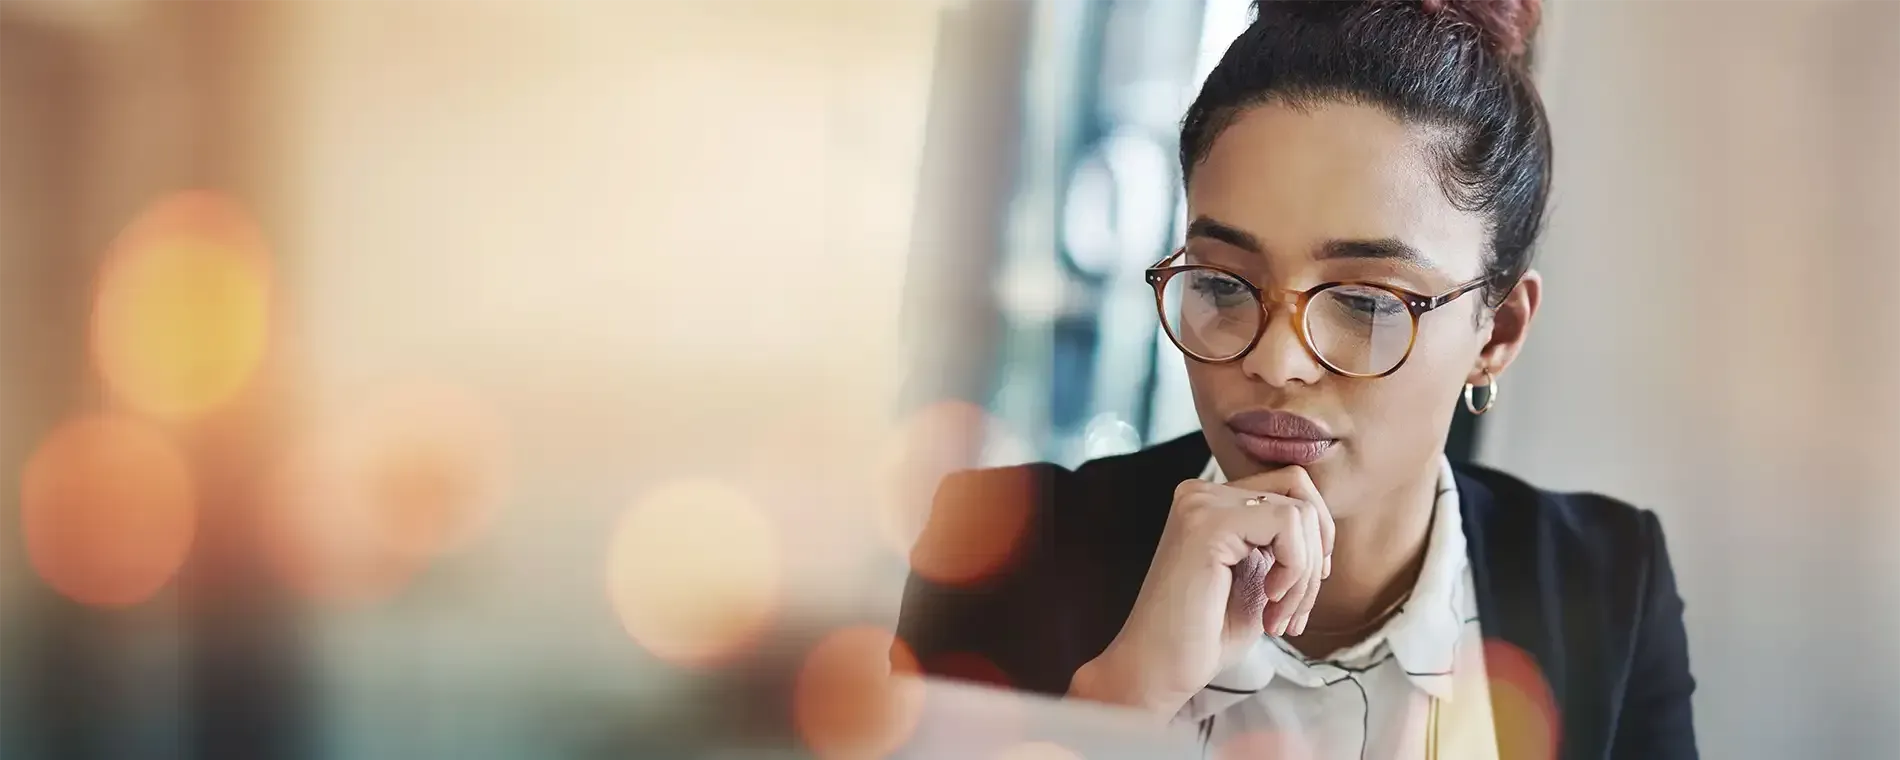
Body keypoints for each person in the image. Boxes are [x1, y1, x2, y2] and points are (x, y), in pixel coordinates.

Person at [894, 0, 1697, 758]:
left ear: (1500, 331)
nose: (1275, 361)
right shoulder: (1002, 552)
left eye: (1364, 302)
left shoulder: (1607, 587)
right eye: (1222, 284)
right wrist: (1120, 703)